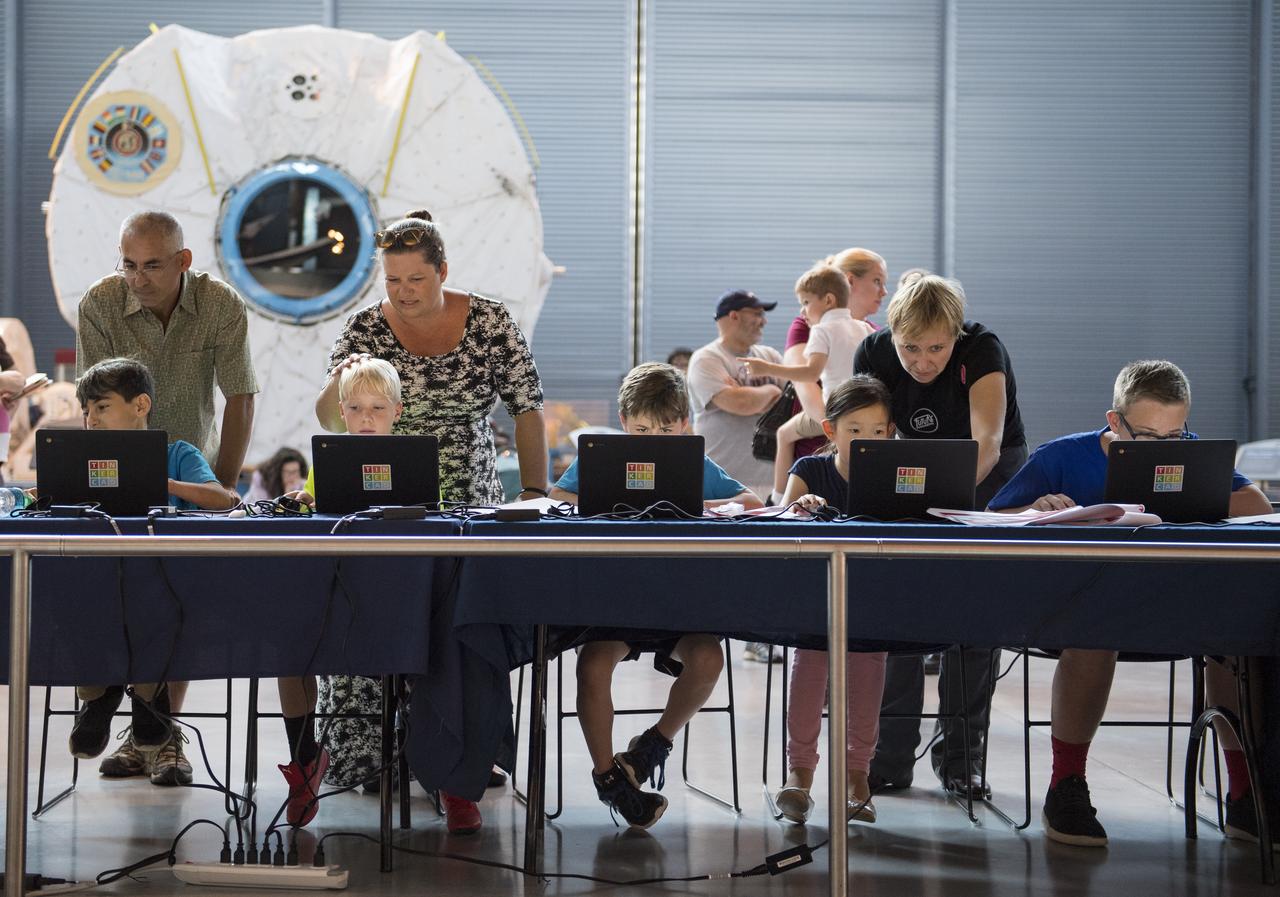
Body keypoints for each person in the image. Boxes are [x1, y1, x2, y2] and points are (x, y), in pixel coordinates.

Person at [316, 210, 547, 836]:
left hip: (467, 494)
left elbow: (527, 408)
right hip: (381, 499)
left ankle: (461, 760)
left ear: (443, 272)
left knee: (460, 631)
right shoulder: (365, 326)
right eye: (392, 279)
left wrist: (533, 491)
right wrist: (343, 383)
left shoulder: (491, 320)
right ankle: (374, 754)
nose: (403, 292)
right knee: (374, 618)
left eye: (416, 278)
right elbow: (328, 413)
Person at [988, 359, 1273, 847]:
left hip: (1177, 602)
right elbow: (994, 518)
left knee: (1236, 640)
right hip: (1088, 607)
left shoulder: (1194, 457)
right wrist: (1035, 509)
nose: (1164, 448)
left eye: (1175, 436)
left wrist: (1195, 498)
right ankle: (1067, 785)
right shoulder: (1062, 457)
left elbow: (1258, 508)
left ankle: (1247, 796)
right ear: (1115, 421)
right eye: (1147, 437)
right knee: (1095, 633)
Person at [76, 212, 259, 769]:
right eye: (128, 265)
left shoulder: (221, 305)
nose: (138, 278)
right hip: (116, 475)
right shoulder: (100, 304)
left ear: (183, 261)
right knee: (114, 589)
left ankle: (158, 735)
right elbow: (95, 403)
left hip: (189, 468)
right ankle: (121, 708)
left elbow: (241, 396)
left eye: (152, 265)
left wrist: (222, 484)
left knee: (174, 593)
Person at [549, 362, 761, 828]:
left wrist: (698, 506)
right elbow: (557, 498)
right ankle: (610, 777)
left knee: (708, 660)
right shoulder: (601, 458)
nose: (654, 437)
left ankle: (650, 749)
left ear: (685, 424)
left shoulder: (695, 463)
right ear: (624, 422)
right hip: (615, 600)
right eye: (642, 428)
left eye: (667, 428)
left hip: (680, 601)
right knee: (593, 665)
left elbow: (752, 503)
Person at [853, 274, 1028, 799]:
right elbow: (864, 433)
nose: (923, 362)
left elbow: (989, 442)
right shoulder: (874, 352)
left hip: (988, 475)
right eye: (910, 348)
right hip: (913, 474)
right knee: (898, 615)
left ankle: (961, 759)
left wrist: (943, 505)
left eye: (936, 348)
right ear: (891, 333)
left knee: (972, 622)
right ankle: (888, 757)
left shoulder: (983, 348)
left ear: (955, 334)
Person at [64, 358, 237, 788]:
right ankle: (128, 701)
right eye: (86, 411)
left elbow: (223, 500)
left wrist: (163, 483)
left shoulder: (178, 456)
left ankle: (115, 698)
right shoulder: (78, 462)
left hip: (167, 594)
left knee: (149, 600)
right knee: (82, 594)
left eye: (101, 407)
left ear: (140, 405)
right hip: (100, 590)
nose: (91, 419)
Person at [771, 375, 893, 825]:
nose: (865, 440)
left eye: (877, 431)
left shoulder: (899, 475)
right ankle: (799, 774)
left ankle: (857, 777)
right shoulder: (809, 471)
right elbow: (783, 518)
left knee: (868, 672)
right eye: (854, 429)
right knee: (809, 669)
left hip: (872, 602)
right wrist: (801, 507)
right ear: (831, 430)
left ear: (891, 432)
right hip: (814, 601)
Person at [686, 290, 783, 664]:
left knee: (767, 565)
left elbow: (796, 400)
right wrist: (772, 390)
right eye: (755, 313)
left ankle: (759, 636)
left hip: (767, 477)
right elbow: (737, 402)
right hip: (720, 481)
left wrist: (768, 393)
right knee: (719, 565)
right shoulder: (707, 359)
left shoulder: (771, 357)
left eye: (763, 313)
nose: (762, 320)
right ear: (731, 316)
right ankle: (703, 632)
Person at [740, 265, 873, 500]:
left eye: (806, 302)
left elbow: (811, 373)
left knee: (783, 433)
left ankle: (779, 499)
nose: (803, 311)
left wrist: (765, 367)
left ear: (829, 300)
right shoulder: (863, 327)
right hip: (863, 411)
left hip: (835, 410)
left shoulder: (822, 330)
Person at [244, 447, 308, 504]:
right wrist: (286, 497)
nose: (291, 477)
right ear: (278, 472)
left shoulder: (302, 483)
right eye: (287, 472)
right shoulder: (262, 477)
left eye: (295, 472)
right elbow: (263, 505)